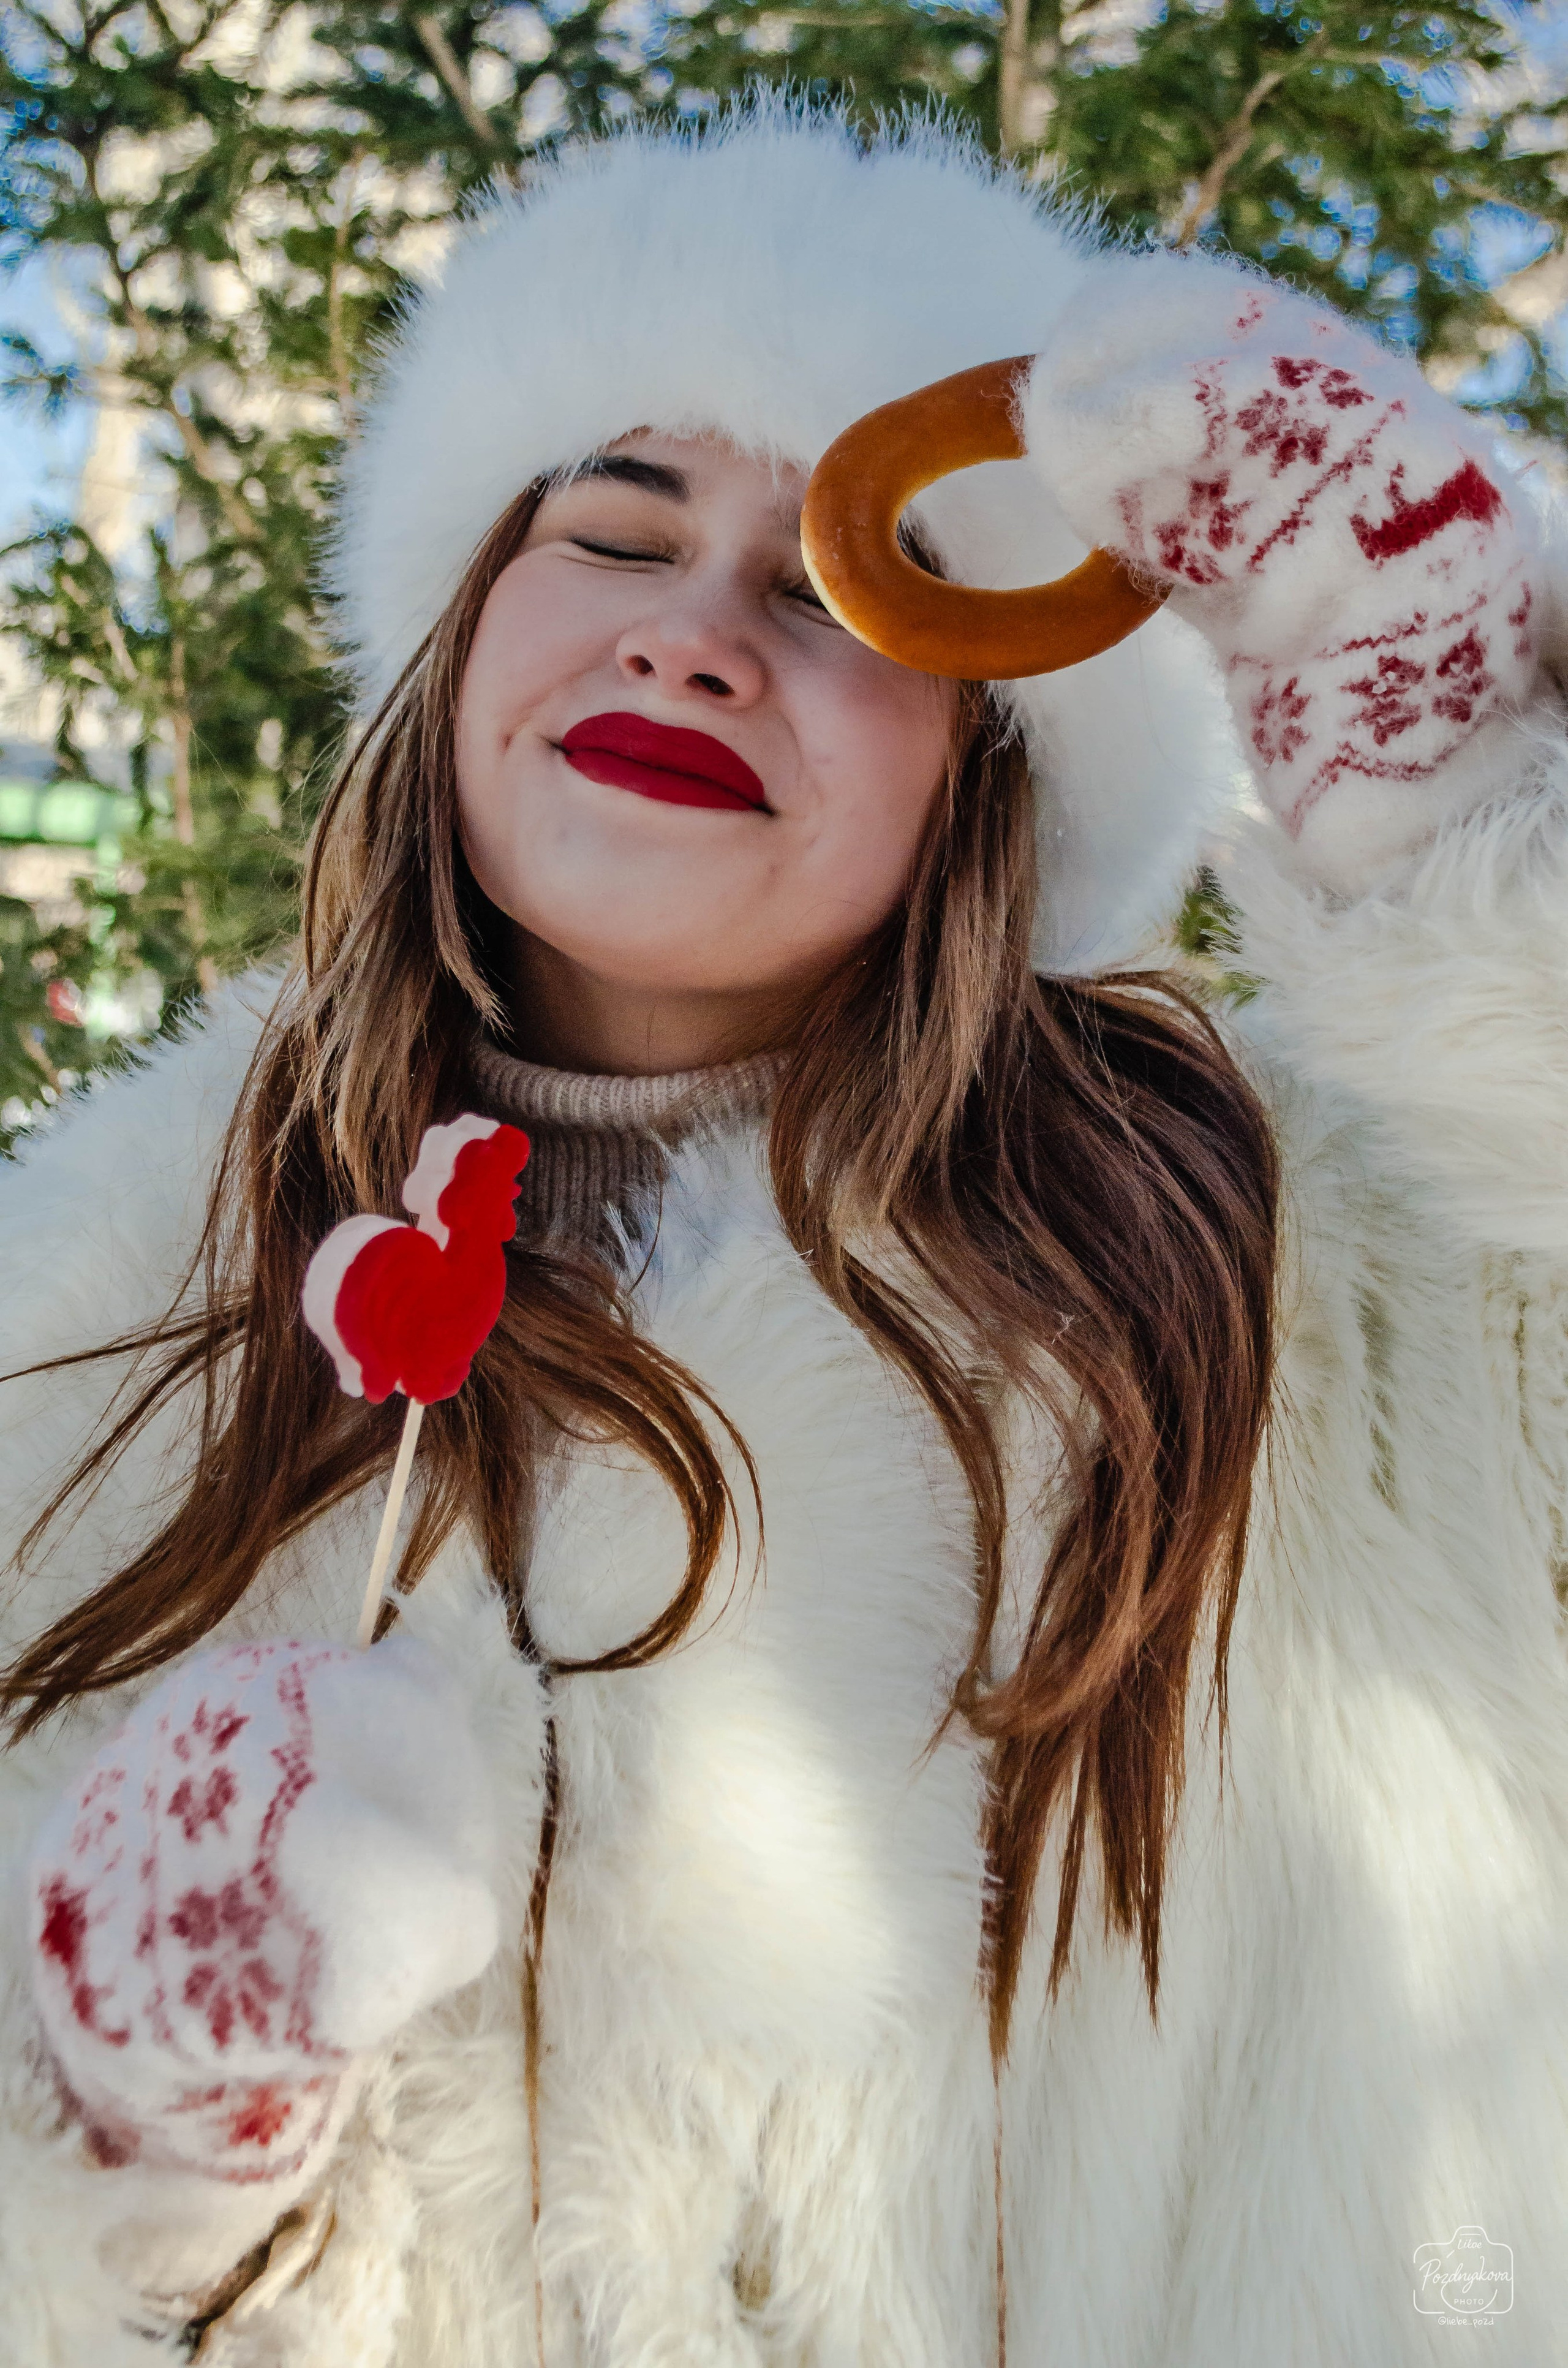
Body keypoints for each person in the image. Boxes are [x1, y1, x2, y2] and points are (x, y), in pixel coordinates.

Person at [1, 104, 1565, 2366]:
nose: (699, 640)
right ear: (460, 638)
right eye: (619, 531)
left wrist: (1475, 828)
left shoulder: (1284, 1254)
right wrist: (119, 2122)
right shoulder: (100, 1292)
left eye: (839, 596)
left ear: (994, 757)